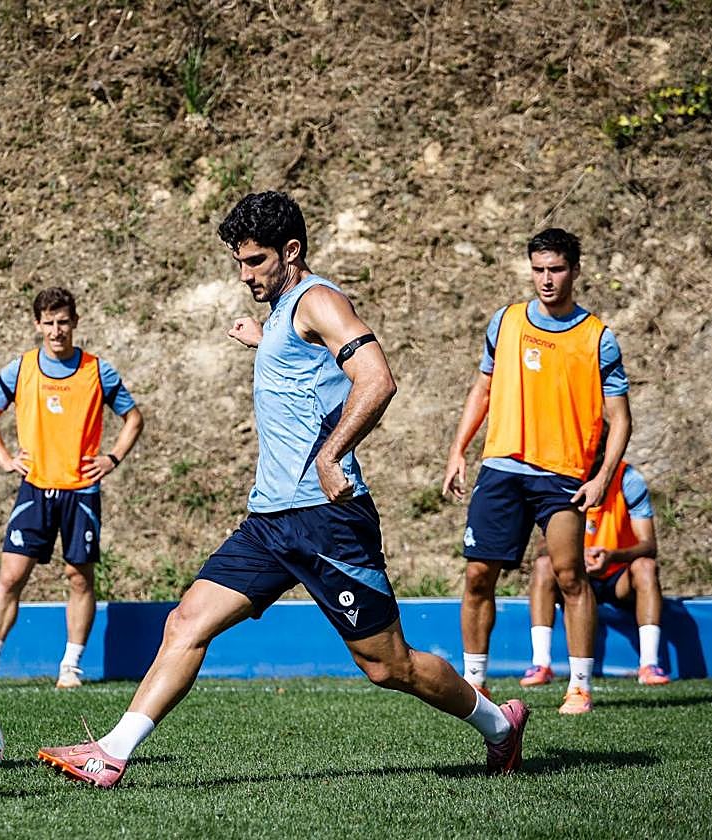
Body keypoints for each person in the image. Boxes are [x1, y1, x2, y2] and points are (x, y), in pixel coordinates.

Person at [37, 191, 529, 789]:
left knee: (388, 666)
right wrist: (263, 336)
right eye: (239, 263)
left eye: (255, 261)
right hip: (269, 521)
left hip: (328, 520)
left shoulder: (319, 299)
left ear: (291, 251)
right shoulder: (283, 313)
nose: (245, 275)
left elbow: (377, 378)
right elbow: (300, 362)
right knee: (185, 622)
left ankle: (499, 725)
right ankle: (110, 754)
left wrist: (332, 453)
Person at [443, 228, 632, 715]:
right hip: (501, 467)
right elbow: (483, 389)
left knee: (570, 575)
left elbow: (620, 419)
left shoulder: (597, 338)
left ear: (575, 270)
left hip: (563, 475)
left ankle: (579, 687)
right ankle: (475, 684)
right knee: (478, 574)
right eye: (539, 269)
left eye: (556, 269)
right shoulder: (505, 322)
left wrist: (602, 478)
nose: (546, 279)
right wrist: (458, 449)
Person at [0, 287, 143, 690]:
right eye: (49, 322)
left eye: (63, 322)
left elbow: (133, 418)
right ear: (37, 324)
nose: (56, 330)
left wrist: (112, 458)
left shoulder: (97, 371)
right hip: (35, 488)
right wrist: (5, 459)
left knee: (79, 577)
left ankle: (70, 667)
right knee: (11, 576)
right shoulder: (21, 369)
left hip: (82, 491)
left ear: (75, 322)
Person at [521, 459, 671, 686]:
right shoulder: (561, 474)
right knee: (543, 565)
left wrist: (611, 556)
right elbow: (542, 546)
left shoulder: (627, 479)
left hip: (618, 577)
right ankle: (541, 664)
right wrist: (572, 553)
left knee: (646, 567)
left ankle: (649, 665)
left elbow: (649, 545)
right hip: (573, 574)